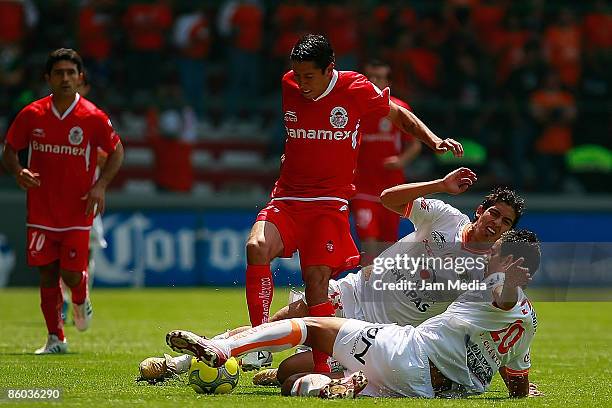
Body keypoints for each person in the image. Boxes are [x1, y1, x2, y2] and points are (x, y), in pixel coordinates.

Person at [138, 167, 522, 382]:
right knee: (279, 326)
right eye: (493, 213)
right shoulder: (444, 215)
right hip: (355, 292)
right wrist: (439, 185)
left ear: (507, 231)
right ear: (480, 211)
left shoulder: (488, 270)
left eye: (505, 222)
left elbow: (502, 314)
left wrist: (515, 377)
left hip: (381, 334)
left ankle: (274, 369)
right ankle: (181, 363)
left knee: (291, 369)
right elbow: (388, 198)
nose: (496, 223)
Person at [242, 33, 462, 372]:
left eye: (309, 76)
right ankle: (258, 342)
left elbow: (398, 115)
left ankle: (323, 368)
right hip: (287, 196)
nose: (301, 83)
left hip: (329, 202)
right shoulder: (289, 85)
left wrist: (432, 141)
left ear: (330, 69)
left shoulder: (356, 88)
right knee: (256, 246)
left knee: (316, 281)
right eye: (297, 75)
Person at [166, 229, 541, 399]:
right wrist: (524, 390)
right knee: (289, 381)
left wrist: (506, 278)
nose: (490, 250)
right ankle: (338, 385)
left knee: (308, 326)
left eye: (499, 249)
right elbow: (518, 385)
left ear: (509, 261)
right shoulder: (529, 322)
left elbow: (502, 296)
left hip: (405, 350)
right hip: (428, 389)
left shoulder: (498, 284)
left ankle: (222, 351)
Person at [2, 48, 124, 354]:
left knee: (70, 274)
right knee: (47, 273)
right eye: (59, 73)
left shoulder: (92, 116)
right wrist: (18, 171)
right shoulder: (32, 114)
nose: (66, 78)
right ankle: (56, 338)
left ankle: (81, 300)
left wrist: (100, 186)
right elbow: (9, 149)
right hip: (41, 209)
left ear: (80, 77)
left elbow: (117, 151)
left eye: (71, 73)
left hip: (77, 208)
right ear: (48, 78)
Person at [352, 60, 422, 264]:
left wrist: (401, 161)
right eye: (370, 77)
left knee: (388, 247)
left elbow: (415, 145)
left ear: (387, 81)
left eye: (379, 77)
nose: (374, 81)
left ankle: (382, 292)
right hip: (362, 188)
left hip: (391, 190)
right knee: (369, 244)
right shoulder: (356, 109)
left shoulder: (400, 109)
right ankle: (366, 292)